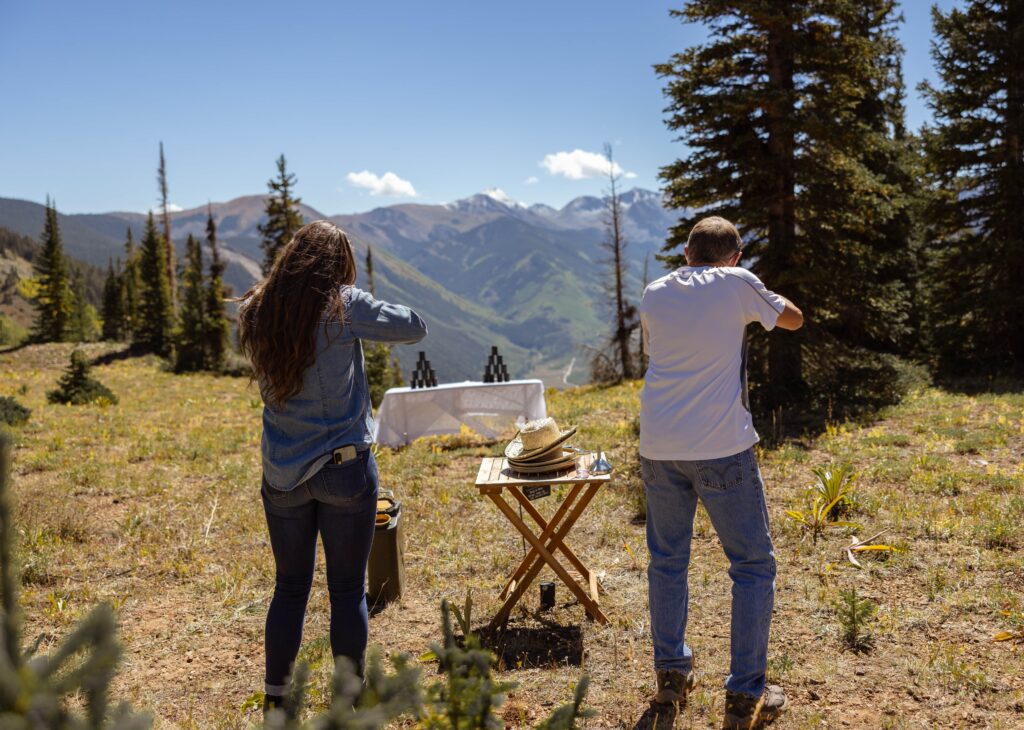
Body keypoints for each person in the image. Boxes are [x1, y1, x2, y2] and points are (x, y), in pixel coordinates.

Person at [236, 220, 427, 715]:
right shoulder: (344, 304)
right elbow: (414, 326)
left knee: (290, 586)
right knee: (346, 591)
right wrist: (357, 295)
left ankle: (277, 702)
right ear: (336, 265)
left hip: (282, 472)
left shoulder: (259, 307)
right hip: (344, 469)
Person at [638, 216, 803, 729]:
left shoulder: (655, 290)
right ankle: (744, 693)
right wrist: (751, 287)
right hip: (721, 446)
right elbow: (794, 319)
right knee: (752, 565)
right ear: (732, 256)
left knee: (668, 559)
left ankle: (672, 676)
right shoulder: (738, 282)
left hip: (659, 445)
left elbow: (656, 353)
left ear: (687, 253)